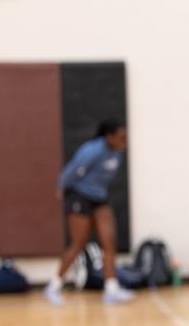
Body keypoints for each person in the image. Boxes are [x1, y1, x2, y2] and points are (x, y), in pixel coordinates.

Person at [46, 119, 134, 306]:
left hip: (99, 199)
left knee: (109, 242)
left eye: (126, 137)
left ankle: (111, 289)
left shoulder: (118, 152)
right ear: (109, 136)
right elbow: (71, 170)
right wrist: (62, 188)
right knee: (79, 243)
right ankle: (54, 287)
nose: (124, 140)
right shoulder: (92, 150)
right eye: (120, 137)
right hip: (79, 197)